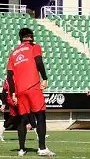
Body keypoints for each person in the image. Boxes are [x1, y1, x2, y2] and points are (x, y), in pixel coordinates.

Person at [6, 27, 54, 157]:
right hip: (33, 86)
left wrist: (14, 93)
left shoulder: (13, 53)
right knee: (40, 116)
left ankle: (22, 149)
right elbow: (39, 61)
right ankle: (42, 148)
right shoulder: (34, 46)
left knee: (22, 119)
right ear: (31, 36)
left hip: (20, 90)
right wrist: (45, 78)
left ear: (20, 37)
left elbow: (9, 76)